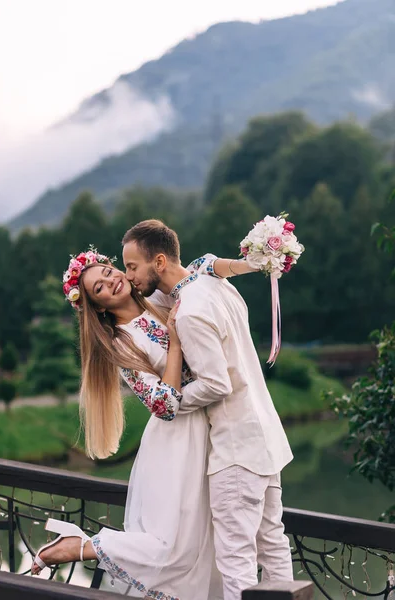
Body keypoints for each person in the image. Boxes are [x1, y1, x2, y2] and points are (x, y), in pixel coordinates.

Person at [31, 248, 253, 599]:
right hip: (175, 444)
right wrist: (176, 343)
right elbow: (162, 405)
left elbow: (194, 268)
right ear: (99, 306)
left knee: (211, 545)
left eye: (108, 270)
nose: (111, 280)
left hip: (209, 433)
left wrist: (251, 261)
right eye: (99, 288)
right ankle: (81, 547)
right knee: (173, 550)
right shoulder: (121, 343)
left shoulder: (159, 298)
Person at [122, 220, 294, 600]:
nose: (128, 276)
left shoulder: (189, 312)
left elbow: (217, 384)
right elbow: (208, 264)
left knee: (236, 561)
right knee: (273, 546)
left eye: (132, 266)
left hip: (235, 450)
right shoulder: (214, 285)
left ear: (160, 262)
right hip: (264, 438)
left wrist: (172, 402)